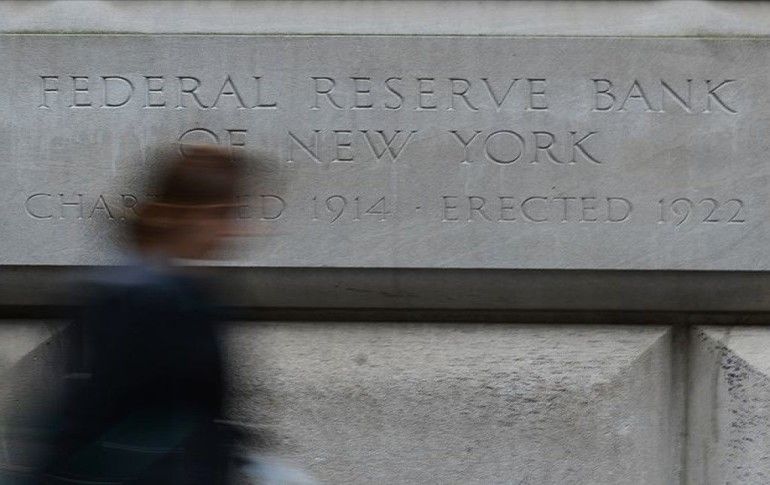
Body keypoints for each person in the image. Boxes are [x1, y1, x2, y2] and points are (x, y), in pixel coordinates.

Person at [32, 144, 245, 483]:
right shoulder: (137, 299)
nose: (232, 230)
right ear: (185, 215)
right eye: (220, 215)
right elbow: (90, 413)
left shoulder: (188, 293)